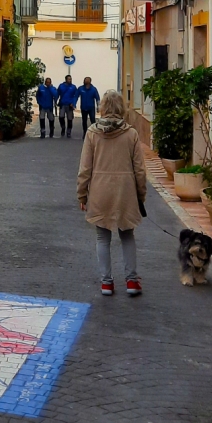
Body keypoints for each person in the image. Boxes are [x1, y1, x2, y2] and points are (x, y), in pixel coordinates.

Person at [77, 89, 147, 297]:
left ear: (103, 107)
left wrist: (82, 194)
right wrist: (140, 195)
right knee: (127, 234)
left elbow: (85, 168)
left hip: (100, 190)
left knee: (102, 236)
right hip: (125, 191)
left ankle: (106, 283)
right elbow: (140, 170)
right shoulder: (131, 134)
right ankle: (131, 280)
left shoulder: (93, 133)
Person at [57, 73, 78, 138]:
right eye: (69, 79)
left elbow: (75, 96)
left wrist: (73, 103)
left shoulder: (73, 87)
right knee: (61, 117)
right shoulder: (61, 86)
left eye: (71, 79)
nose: (70, 80)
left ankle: (69, 131)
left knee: (70, 119)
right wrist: (55, 101)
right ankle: (63, 128)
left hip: (70, 105)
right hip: (62, 104)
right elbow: (57, 94)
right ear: (66, 79)